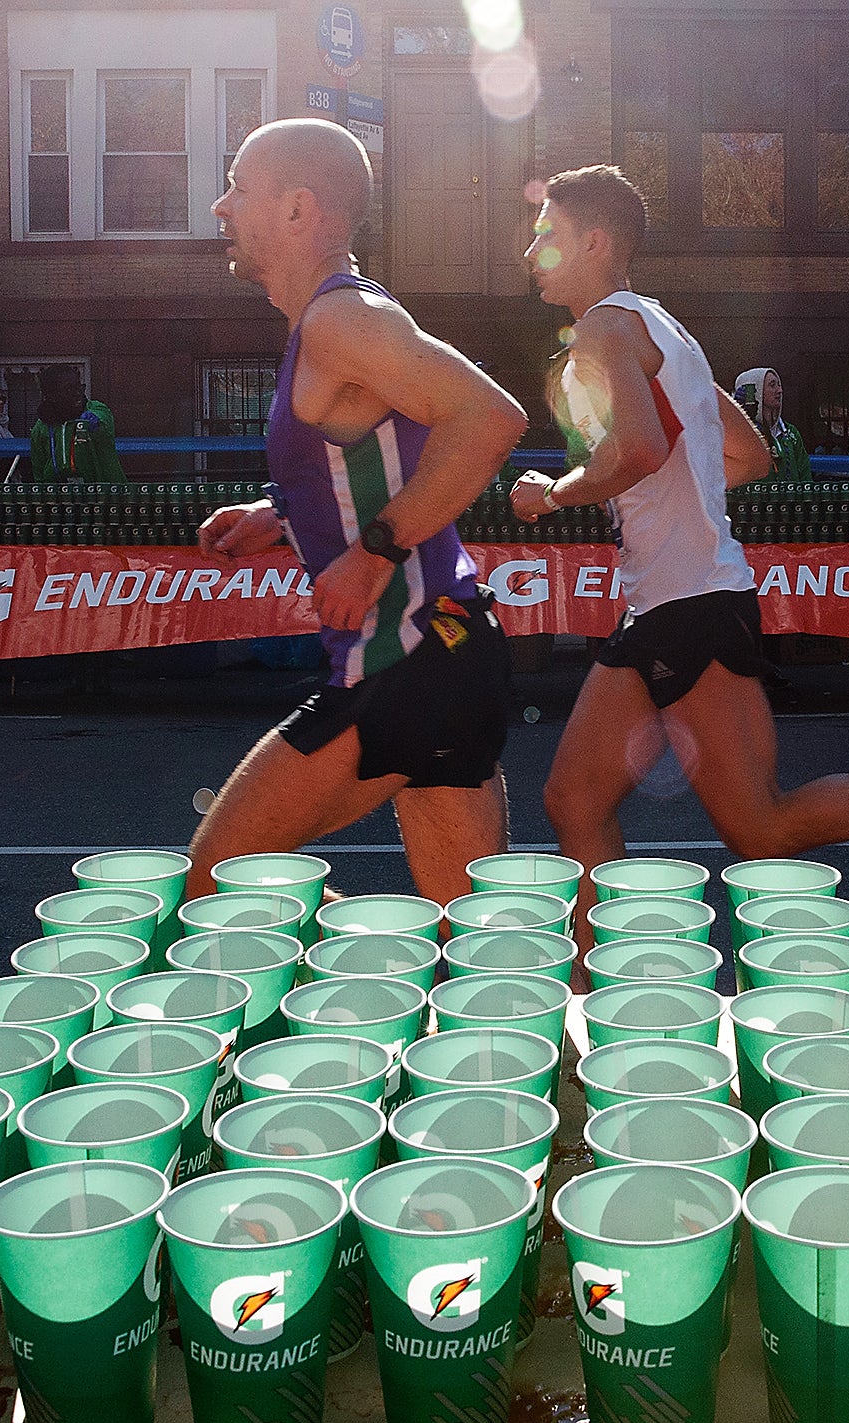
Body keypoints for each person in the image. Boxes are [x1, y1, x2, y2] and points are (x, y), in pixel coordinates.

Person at [509, 165, 849, 959]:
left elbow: (635, 449)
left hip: (692, 605)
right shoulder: (668, 330)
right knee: (572, 800)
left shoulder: (602, 329)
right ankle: (609, 990)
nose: (530, 250)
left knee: (762, 830)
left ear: (593, 242)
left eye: (546, 235)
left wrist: (553, 493)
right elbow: (750, 454)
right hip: (664, 606)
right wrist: (674, 484)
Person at [190, 119, 527, 907]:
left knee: (216, 886)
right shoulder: (336, 319)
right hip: (450, 642)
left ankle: (368, 999)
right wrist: (280, 513)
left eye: (238, 188)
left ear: (299, 209)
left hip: (405, 659)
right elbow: (378, 454)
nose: (220, 207)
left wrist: (374, 552)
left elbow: (492, 418)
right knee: (480, 938)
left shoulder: (339, 320)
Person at [30, 364, 127, 485]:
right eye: (69, 389)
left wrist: (95, 423)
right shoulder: (41, 428)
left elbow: (104, 422)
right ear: (51, 395)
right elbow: (39, 469)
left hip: (105, 494)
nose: (78, 393)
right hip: (61, 495)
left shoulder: (95, 409)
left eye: (79, 387)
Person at [732, 367, 811, 481]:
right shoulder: (743, 435)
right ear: (756, 390)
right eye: (772, 385)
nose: (779, 390)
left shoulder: (790, 433)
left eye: (779, 385)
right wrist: (737, 415)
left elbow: (805, 477)